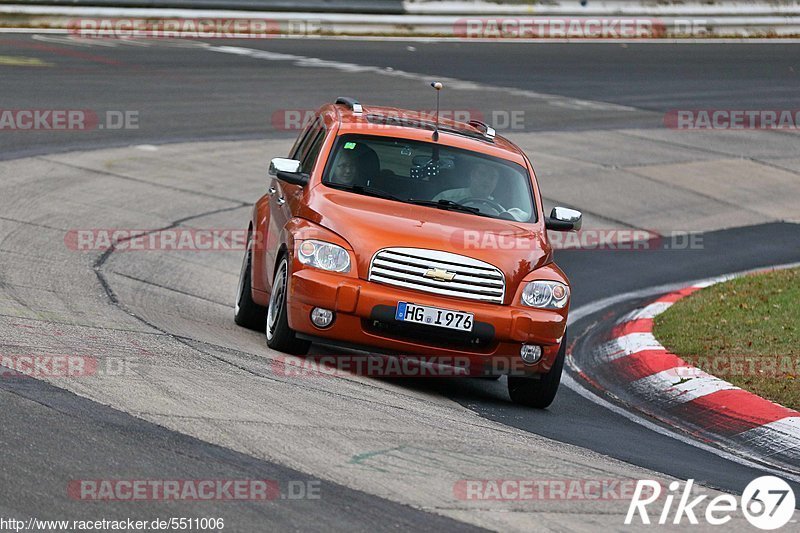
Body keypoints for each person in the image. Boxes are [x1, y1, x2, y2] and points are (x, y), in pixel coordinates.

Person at [433, 162, 500, 204]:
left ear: (496, 182)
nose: (486, 180)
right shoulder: (445, 198)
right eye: (482, 174)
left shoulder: (499, 211)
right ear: (472, 175)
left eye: (492, 177)